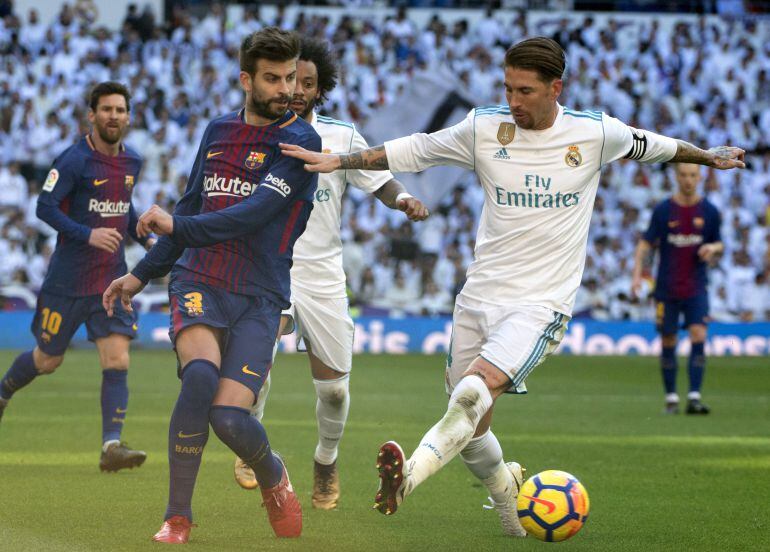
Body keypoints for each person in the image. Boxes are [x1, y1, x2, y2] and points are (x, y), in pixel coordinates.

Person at [280, 37, 744, 537]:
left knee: (472, 393)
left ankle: (406, 479)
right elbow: (418, 149)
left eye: (525, 91)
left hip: (539, 304)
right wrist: (342, 162)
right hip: (478, 296)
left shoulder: (594, 133)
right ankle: (509, 498)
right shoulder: (485, 127)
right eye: (508, 88)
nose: (514, 101)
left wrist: (708, 156)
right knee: (472, 429)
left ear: (555, 88)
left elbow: (657, 146)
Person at [102, 27, 320, 543]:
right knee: (199, 378)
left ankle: (273, 473)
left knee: (228, 419)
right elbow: (193, 207)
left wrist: (176, 227)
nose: (285, 88)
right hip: (200, 278)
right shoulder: (218, 131)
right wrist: (140, 274)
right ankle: (178, 516)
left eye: (291, 77)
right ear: (247, 79)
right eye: (272, 79)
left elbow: (252, 214)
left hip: (261, 294)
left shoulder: (303, 142)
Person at [230, 37, 429, 510]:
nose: (297, 89)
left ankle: (326, 459)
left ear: (321, 90)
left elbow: (378, 179)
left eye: (309, 83)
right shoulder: (255, 131)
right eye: (291, 78)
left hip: (321, 274)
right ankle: (250, 443)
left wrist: (402, 200)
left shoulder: (339, 136)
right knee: (253, 363)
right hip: (268, 268)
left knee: (335, 391)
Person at [0, 81, 152, 472]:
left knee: (117, 358)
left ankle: (111, 447)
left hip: (111, 281)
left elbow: (123, 207)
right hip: (67, 282)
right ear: (92, 115)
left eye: (120, 110)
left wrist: (140, 231)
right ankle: (3, 393)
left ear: (128, 116)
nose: (113, 116)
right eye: (106, 109)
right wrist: (88, 233)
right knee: (48, 360)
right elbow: (44, 207)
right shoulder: (72, 161)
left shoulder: (131, 161)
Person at [632, 163, 722, 415]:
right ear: (676, 176)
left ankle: (694, 396)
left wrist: (712, 249)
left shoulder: (710, 211)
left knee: (698, 335)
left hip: (696, 287)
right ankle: (671, 398)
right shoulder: (663, 210)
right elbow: (646, 244)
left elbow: (719, 244)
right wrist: (637, 275)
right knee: (668, 339)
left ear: (700, 177)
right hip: (667, 288)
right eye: (683, 175)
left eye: (693, 175)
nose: (688, 180)